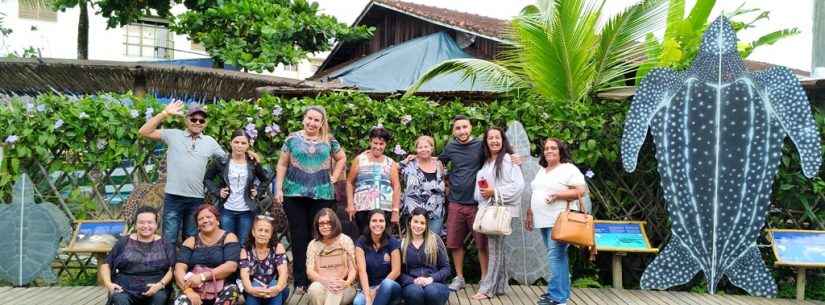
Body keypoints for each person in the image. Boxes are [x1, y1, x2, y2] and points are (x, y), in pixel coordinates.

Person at [275, 105, 347, 293]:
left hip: (322, 195)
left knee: (319, 237)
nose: (312, 123)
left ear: (322, 123)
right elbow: (282, 164)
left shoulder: (329, 140)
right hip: (294, 194)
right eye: (310, 118)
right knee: (299, 237)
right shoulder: (291, 139)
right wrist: (278, 189)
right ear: (304, 119)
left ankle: (318, 279)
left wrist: (335, 176)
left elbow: (341, 158)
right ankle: (300, 282)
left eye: (317, 120)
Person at [139, 100, 226, 244]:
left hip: (196, 198)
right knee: (169, 238)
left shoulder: (210, 142)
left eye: (201, 120)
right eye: (193, 119)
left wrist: (249, 154)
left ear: (205, 123)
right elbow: (144, 131)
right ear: (186, 120)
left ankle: (185, 267)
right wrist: (164, 113)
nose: (198, 122)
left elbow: (228, 161)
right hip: (174, 197)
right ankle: (169, 267)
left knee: (191, 238)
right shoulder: (173, 135)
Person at [525, 139, 586, 305]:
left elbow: (581, 191)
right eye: (546, 148)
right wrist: (530, 212)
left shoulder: (568, 169)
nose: (549, 151)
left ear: (560, 151)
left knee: (556, 257)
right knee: (557, 257)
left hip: (558, 220)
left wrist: (558, 195)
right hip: (543, 220)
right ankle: (557, 293)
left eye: (553, 148)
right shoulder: (542, 171)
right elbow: (537, 192)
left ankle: (558, 297)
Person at [471, 127, 524, 299]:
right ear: (486, 141)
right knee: (498, 249)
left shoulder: (509, 160)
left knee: (494, 249)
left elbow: (518, 186)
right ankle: (500, 285)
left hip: (501, 212)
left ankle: (487, 289)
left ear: (503, 140)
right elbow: (481, 191)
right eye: (491, 138)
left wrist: (494, 192)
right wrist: (485, 192)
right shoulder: (487, 162)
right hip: (489, 210)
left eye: (497, 137)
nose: (494, 141)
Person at [438, 115, 488, 290]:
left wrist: (513, 157)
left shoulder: (481, 145)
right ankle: (459, 278)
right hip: (456, 203)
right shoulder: (451, 147)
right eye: (458, 128)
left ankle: (484, 279)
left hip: (477, 204)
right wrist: (444, 180)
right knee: (454, 242)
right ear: (454, 131)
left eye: (465, 127)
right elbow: (438, 162)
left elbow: (496, 158)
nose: (462, 131)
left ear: (471, 127)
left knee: (482, 243)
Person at [204, 129, 271, 245]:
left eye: (243, 143)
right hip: (226, 209)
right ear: (231, 143)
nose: (239, 146)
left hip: (247, 211)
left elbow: (265, 180)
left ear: (248, 145)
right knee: (227, 242)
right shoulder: (222, 161)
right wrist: (217, 191)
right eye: (236, 142)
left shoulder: (252, 162)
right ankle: (230, 263)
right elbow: (207, 179)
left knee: (243, 243)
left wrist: (258, 192)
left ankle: (241, 263)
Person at [101, 206, 175, 305]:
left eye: (150, 222)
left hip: (156, 287)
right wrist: (109, 284)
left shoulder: (165, 243)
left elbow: (173, 268)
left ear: (156, 225)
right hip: (124, 289)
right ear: (135, 225)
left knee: (159, 298)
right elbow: (106, 264)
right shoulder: (124, 241)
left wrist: (160, 285)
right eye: (141, 222)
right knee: (120, 300)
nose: (145, 226)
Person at [174, 205, 241, 305]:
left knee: (232, 290)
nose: (205, 220)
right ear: (197, 225)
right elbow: (179, 269)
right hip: (194, 289)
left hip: (222, 289)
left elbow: (231, 266)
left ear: (217, 220)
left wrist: (202, 277)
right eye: (201, 219)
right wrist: (189, 291)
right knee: (181, 302)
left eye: (209, 217)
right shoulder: (190, 241)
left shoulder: (229, 237)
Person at [346, 127, 401, 234]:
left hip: (385, 209)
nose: (378, 146)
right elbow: (349, 182)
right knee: (364, 239)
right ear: (370, 142)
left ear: (386, 145)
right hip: (362, 208)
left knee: (384, 240)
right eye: (375, 143)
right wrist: (350, 205)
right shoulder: (359, 160)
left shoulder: (391, 163)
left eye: (381, 144)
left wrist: (395, 210)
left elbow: (397, 187)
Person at [398, 208, 451, 305]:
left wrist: (431, 279)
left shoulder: (435, 240)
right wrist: (413, 280)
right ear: (410, 222)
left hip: (435, 283)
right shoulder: (402, 243)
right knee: (415, 293)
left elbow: (446, 268)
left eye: (422, 223)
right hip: (412, 284)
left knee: (432, 292)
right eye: (415, 221)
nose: (418, 226)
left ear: (427, 225)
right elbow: (399, 273)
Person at [306, 208, 358, 305]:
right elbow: (310, 271)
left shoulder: (345, 241)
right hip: (322, 283)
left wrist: (345, 283)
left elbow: (353, 269)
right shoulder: (313, 245)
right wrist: (325, 281)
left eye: (329, 223)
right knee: (314, 289)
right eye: (321, 224)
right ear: (317, 226)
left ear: (335, 223)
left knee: (335, 288)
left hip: (345, 286)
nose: (325, 226)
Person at [399, 136, 446, 235]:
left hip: (435, 212)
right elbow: (392, 170)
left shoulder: (439, 164)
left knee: (433, 244)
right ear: (416, 149)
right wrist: (406, 160)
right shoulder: (410, 164)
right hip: (414, 212)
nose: (423, 149)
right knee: (415, 244)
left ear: (432, 148)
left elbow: (446, 181)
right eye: (420, 147)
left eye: (426, 147)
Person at [239, 214, 289, 305]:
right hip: (252, 290)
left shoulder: (277, 247)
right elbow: (244, 276)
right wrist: (251, 290)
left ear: (271, 234)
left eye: (266, 231)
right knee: (253, 293)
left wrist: (276, 289)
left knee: (275, 288)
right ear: (253, 232)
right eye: (260, 230)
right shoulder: (245, 250)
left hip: (275, 289)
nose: (263, 234)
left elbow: (283, 273)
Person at [354, 210, 401, 305]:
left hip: (391, 287)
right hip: (369, 287)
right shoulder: (361, 241)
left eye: (381, 221)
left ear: (385, 223)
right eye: (374, 221)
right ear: (369, 223)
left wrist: (377, 290)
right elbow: (362, 271)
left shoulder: (392, 241)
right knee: (358, 302)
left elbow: (396, 271)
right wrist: (367, 296)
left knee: (386, 284)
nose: (378, 224)